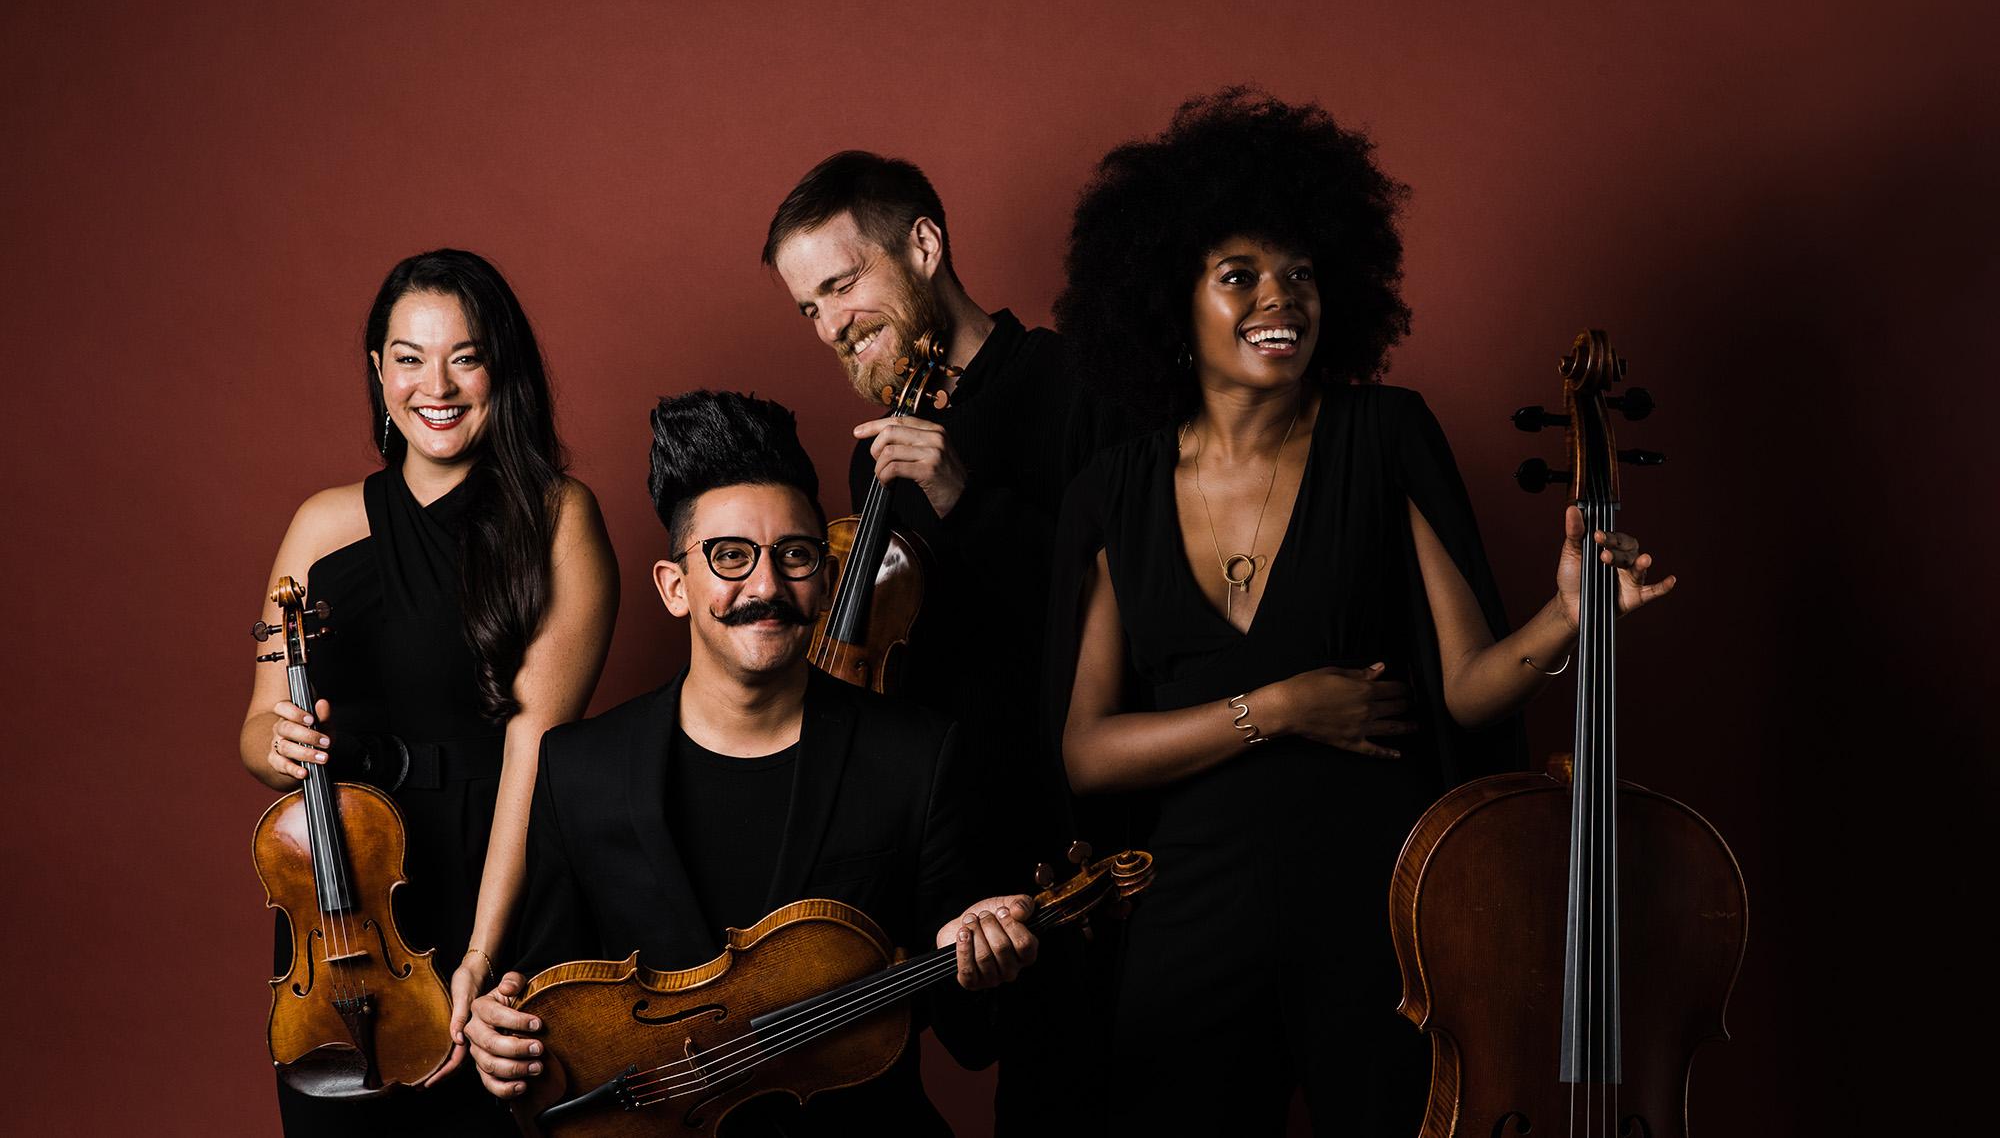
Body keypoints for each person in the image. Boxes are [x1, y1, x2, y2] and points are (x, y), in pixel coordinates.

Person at [1047, 89, 1677, 1136]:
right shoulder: (1110, 492)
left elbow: (1468, 683)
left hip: (1379, 905)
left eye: (1298, 271)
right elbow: (1085, 750)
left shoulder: (1384, 435)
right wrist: (1275, 707)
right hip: (1190, 914)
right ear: (1169, 297)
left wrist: (1566, 613)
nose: (1278, 298)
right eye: (1237, 274)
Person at [463, 390, 1038, 1136]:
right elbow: (552, 1012)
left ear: (826, 581)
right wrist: (505, 1040)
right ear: (676, 587)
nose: (765, 586)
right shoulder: (579, 768)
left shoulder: (917, 754)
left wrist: (988, 956)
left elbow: (971, 1036)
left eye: (795, 555)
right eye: (730, 555)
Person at [764, 151, 1128, 1132]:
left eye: (840, 285)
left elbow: (1124, 608)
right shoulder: (868, 450)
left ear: (923, 244)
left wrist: (963, 496)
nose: (831, 324)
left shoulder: (1075, 382)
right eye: (808, 308)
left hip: (1079, 826)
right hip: (958, 843)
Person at [238, 249, 619, 1135]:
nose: (434, 385)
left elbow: (533, 748)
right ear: (378, 372)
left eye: (465, 355)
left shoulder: (559, 519)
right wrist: (280, 746)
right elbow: (257, 731)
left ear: (502, 368)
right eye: (408, 357)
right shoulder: (321, 524)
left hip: (497, 876)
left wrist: (481, 954)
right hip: (349, 908)